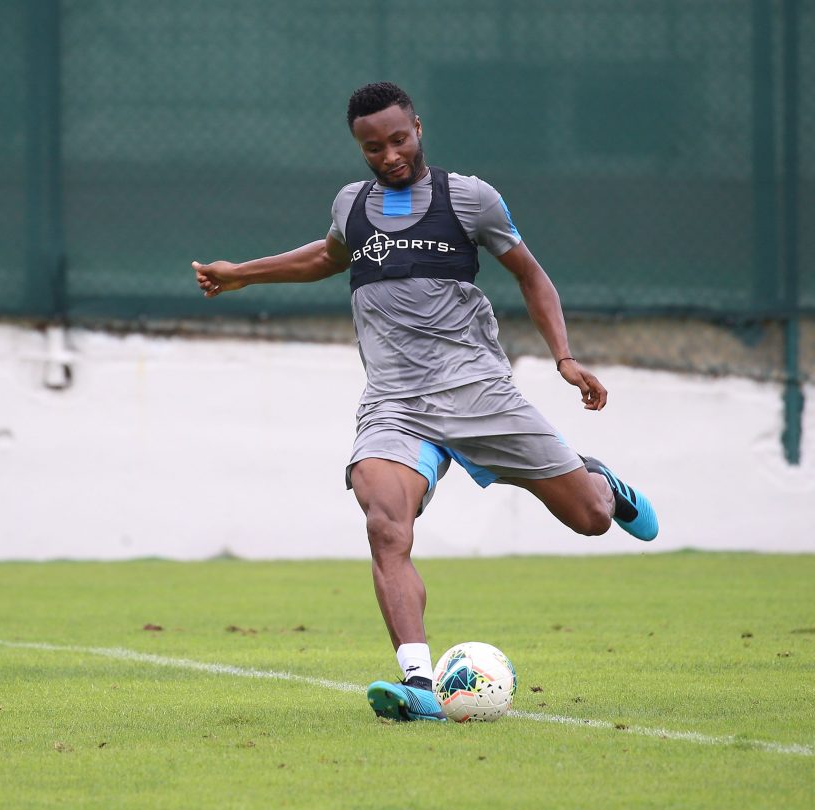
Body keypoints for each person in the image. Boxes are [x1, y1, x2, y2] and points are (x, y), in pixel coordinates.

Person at [190, 81, 659, 723]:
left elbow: (531, 274)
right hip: (395, 403)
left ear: (418, 128)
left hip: (478, 391)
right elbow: (326, 256)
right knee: (385, 524)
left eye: (398, 140)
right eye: (372, 148)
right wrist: (241, 274)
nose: (389, 156)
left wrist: (565, 359)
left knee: (591, 519)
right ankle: (418, 683)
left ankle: (600, 480)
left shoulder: (470, 198)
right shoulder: (351, 205)